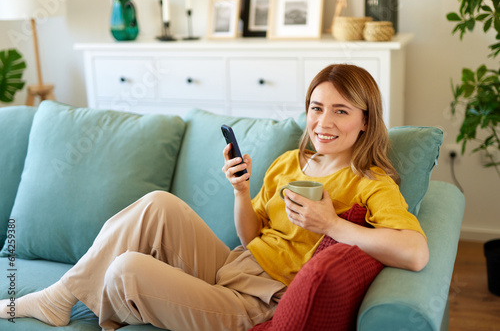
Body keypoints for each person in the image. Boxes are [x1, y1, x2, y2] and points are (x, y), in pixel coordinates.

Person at [0, 64, 429, 330]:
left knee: (126, 270)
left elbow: (416, 253)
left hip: (261, 300)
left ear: (364, 120)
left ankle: (102, 299)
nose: (323, 121)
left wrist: (332, 224)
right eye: (316, 107)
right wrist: (241, 190)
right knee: (157, 203)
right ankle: (61, 297)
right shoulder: (288, 162)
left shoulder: (371, 182)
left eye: (341, 110)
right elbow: (250, 235)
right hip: (235, 265)